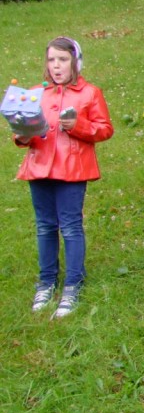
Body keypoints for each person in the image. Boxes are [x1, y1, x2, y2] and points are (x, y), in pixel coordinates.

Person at [12, 37, 114, 318]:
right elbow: (22, 133)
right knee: (44, 226)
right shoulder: (36, 93)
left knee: (70, 227)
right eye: (51, 60)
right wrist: (22, 135)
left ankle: (73, 283)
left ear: (75, 62)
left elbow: (104, 129)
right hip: (39, 168)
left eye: (63, 60)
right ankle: (46, 282)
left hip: (72, 170)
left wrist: (78, 125)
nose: (56, 66)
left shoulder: (90, 93)